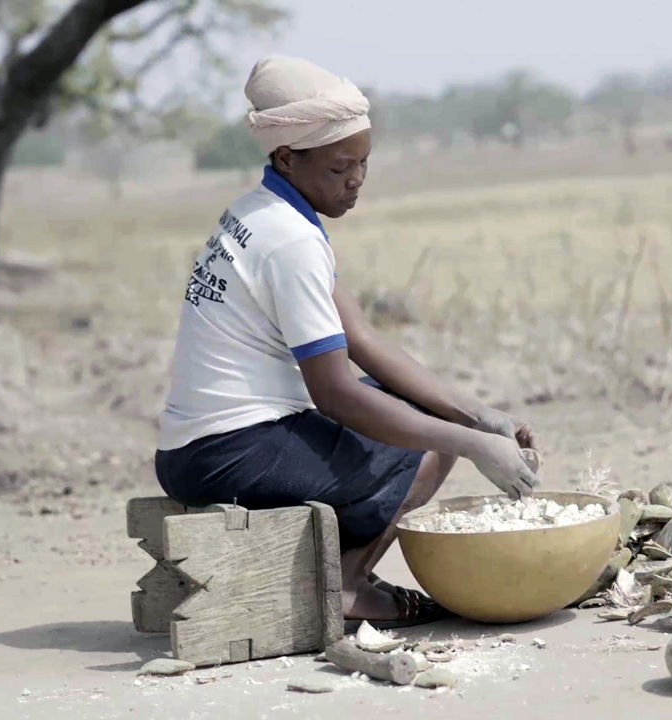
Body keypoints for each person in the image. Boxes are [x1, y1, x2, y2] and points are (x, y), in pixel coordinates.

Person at [154, 56, 541, 629]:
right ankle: (348, 586)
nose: (356, 179)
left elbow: (359, 337)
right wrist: (469, 444)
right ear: (287, 156)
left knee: (419, 415)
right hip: (226, 452)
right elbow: (334, 393)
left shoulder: (263, 212)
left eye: (363, 163)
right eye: (340, 168)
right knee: (428, 446)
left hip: (206, 444)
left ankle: (348, 567)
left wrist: (481, 419)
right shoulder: (288, 240)